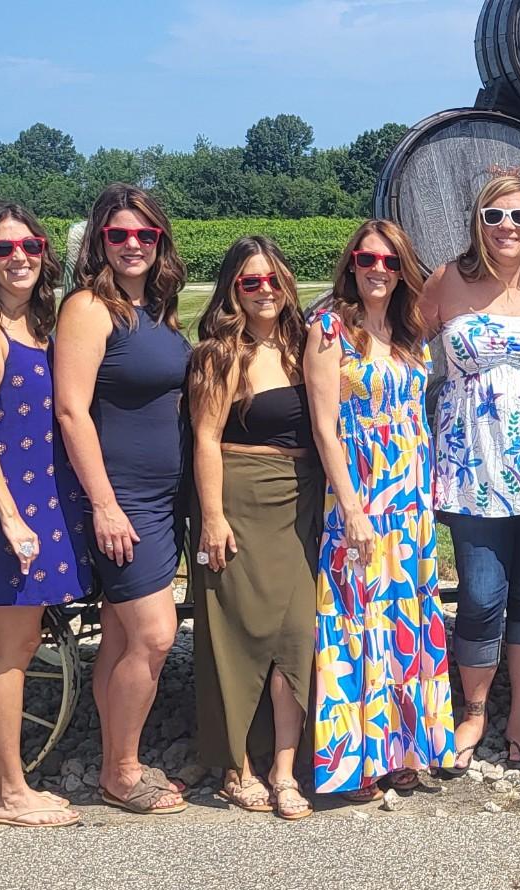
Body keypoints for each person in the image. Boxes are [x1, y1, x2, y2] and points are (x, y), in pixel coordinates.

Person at [422, 173, 520, 774]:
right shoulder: (448, 281)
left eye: (519, 216)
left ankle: (519, 717)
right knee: (482, 594)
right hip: (471, 468)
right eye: (494, 216)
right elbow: (395, 339)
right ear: (477, 222)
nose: (507, 228)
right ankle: (474, 711)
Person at [0, 201, 89, 829]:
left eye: (29, 246)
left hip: (42, 502)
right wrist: (9, 517)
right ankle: (10, 791)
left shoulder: (37, 323)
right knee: (9, 647)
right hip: (9, 507)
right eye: (4, 249)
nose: (19, 258)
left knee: (19, 641)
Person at [53, 183, 192, 815]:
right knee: (155, 636)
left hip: (164, 497)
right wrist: (104, 504)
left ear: (160, 240)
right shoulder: (89, 308)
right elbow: (71, 410)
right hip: (122, 498)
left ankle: (113, 758)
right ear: (99, 243)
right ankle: (124, 769)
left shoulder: (157, 310)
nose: (132, 244)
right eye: (118, 235)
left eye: (144, 234)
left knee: (119, 635)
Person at [303, 220, 455, 800]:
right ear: (351, 264)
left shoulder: (410, 331)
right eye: (368, 259)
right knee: (356, 619)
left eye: (390, 262)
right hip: (362, 495)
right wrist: (352, 508)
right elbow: (324, 427)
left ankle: (405, 747)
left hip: (411, 498)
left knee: (407, 619)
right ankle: (356, 759)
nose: (378, 270)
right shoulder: (329, 329)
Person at [189, 235, 321, 820]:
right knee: (236, 634)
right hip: (240, 495)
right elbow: (206, 439)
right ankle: (236, 766)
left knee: (297, 632)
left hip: (302, 500)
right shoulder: (220, 355)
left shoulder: (305, 344)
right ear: (232, 292)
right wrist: (212, 517)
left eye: (272, 278)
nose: (264, 290)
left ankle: (285, 769)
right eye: (250, 282)